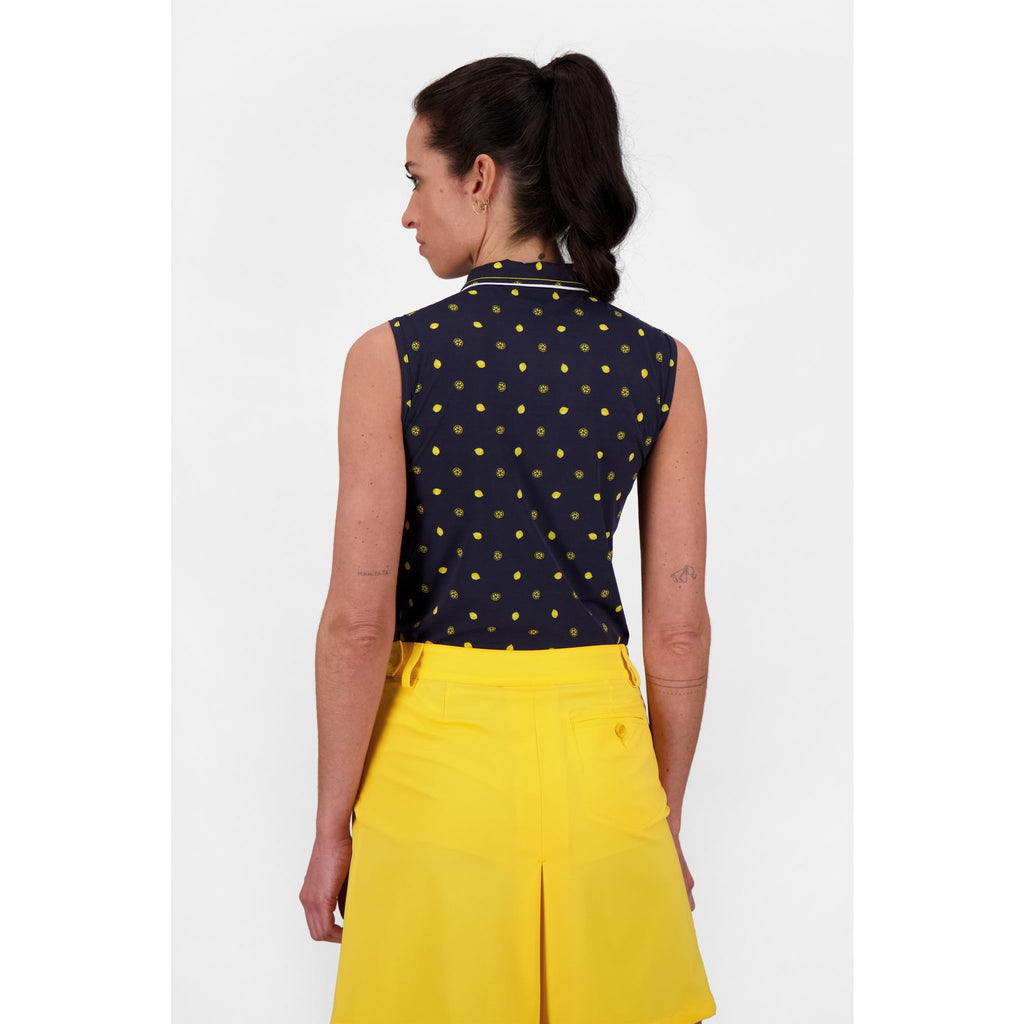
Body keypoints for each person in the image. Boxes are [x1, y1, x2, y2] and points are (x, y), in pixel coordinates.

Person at [299, 52, 717, 1024]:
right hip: (602, 776)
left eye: (418, 179)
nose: (408, 212)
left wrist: (329, 829)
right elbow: (680, 629)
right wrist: (658, 816)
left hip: (437, 780)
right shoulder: (660, 364)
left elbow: (357, 623)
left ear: (480, 177)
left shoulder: (392, 358)